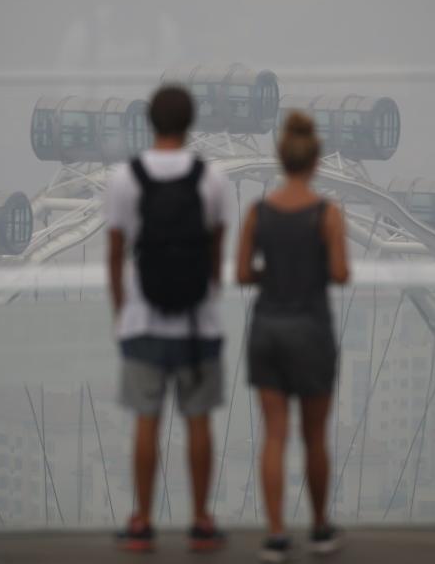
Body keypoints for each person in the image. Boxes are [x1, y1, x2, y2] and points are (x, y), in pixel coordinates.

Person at [105, 85, 228, 552]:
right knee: (198, 421)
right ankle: (201, 520)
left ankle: (141, 520)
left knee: (146, 421)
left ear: (149, 122)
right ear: (190, 121)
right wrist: (207, 295)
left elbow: (115, 253)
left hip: (143, 320)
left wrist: (123, 311)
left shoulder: (124, 178)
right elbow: (219, 247)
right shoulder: (212, 178)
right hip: (199, 325)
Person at [236, 111, 349, 562]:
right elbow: (340, 272)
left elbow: (243, 271)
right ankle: (320, 529)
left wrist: (274, 272)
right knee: (314, 435)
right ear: (315, 162)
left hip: (267, 330)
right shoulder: (327, 214)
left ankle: (277, 534)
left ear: (281, 161)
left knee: (274, 435)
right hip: (311, 330)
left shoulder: (257, 213)